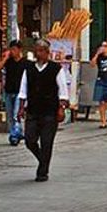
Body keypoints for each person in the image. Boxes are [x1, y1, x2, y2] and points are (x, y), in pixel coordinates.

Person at [17, 39, 70, 182]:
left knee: (47, 142)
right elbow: (23, 89)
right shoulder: (29, 69)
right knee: (29, 139)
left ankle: (42, 172)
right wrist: (21, 107)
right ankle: (42, 160)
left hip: (50, 111)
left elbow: (63, 90)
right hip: (33, 109)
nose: (38, 53)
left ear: (47, 52)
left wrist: (61, 107)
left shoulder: (56, 69)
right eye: (36, 50)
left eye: (41, 51)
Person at [0, 40, 27, 144]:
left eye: (14, 49)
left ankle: (14, 136)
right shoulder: (8, 62)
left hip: (19, 92)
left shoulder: (25, 62)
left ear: (20, 50)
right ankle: (18, 132)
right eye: (11, 49)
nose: (12, 52)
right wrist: (5, 58)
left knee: (15, 114)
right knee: (9, 115)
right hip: (8, 91)